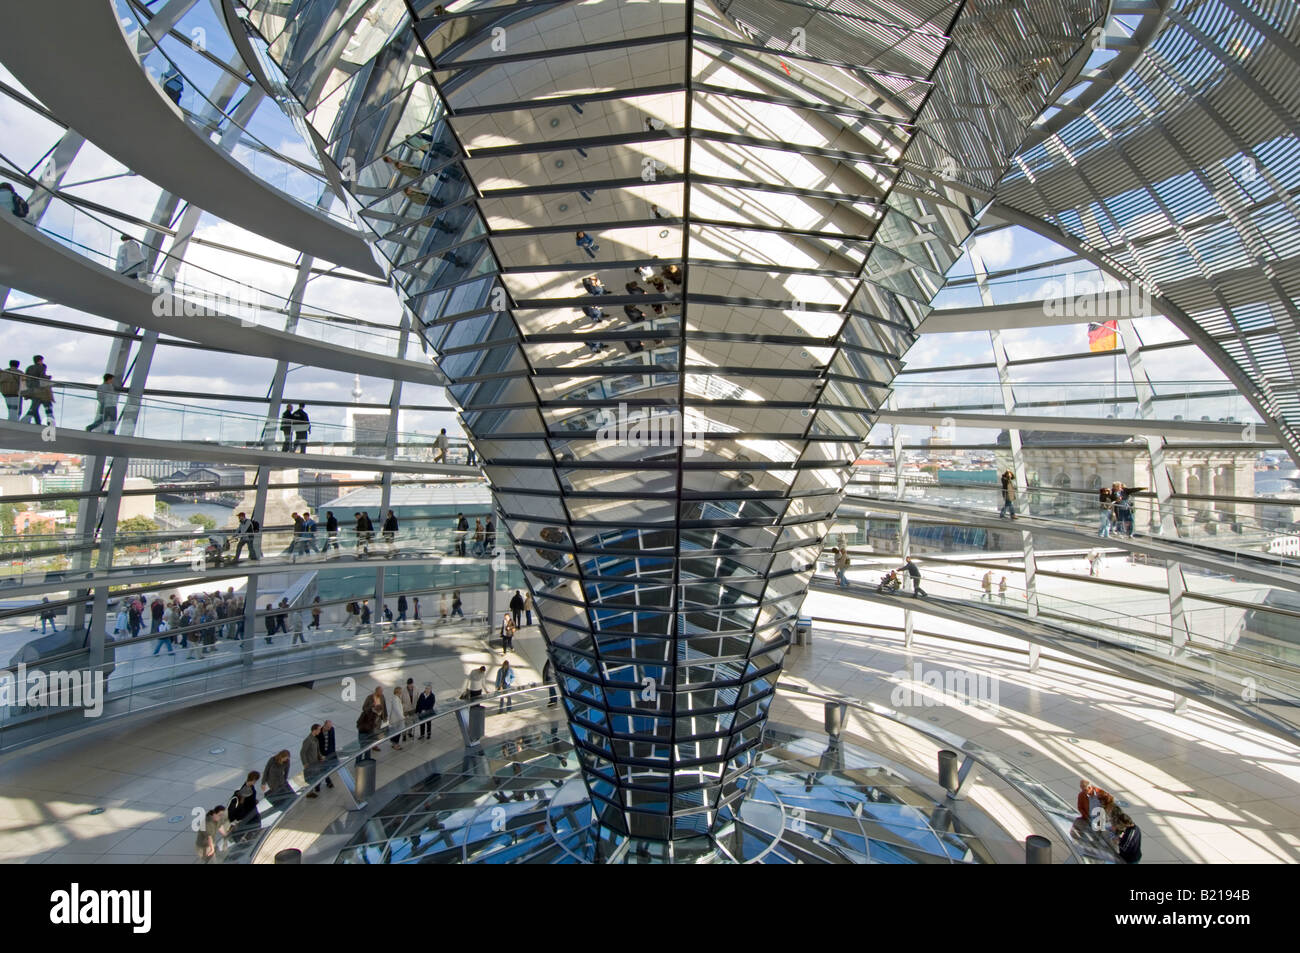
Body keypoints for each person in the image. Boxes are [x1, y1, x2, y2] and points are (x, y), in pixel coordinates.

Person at [20, 356, 53, 426]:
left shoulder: (29, 368)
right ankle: (50, 422)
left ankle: (32, 421)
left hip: (31, 390)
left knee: (35, 406)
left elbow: (26, 378)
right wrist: (48, 377)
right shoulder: (41, 367)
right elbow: (42, 377)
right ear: (39, 360)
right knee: (47, 406)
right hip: (41, 390)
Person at [300, 725, 325, 797]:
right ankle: (309, 792)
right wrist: (305, 763)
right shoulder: (308, 740)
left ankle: (312, 791)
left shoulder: (315, 739)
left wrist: (320, 757)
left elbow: (317, 750)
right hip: (310, 764)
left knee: (315, 777)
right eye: (319, 730)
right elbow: (302, 752)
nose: (320, 731)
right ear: (314, 730)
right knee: (310, 779)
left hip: (315, 762)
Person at [316, 720, 337, 788]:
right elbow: (316, 744)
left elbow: (333, 741)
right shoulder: (319, 732)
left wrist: (334, 753)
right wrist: (319, 755)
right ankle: (324, 783)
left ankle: (324, 783)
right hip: (322, 753)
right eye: (328, 727)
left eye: (330, 726)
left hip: (329, 753)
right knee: (323, 769)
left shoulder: (332, 729)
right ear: (324, 725)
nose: (329, 728)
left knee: (325, 769)